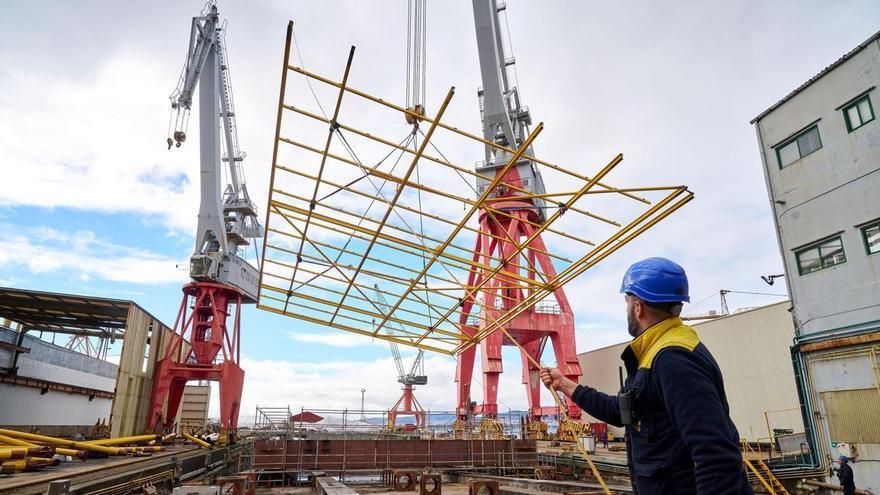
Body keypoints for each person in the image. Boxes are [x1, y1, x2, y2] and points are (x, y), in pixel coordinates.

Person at [540, 257, 753, 494]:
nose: (627, 308)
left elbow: (715, 456)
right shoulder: (655, 354)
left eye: (627, 301)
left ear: (638, 307)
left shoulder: (673, 359)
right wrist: (564, 384)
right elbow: (621, 411)